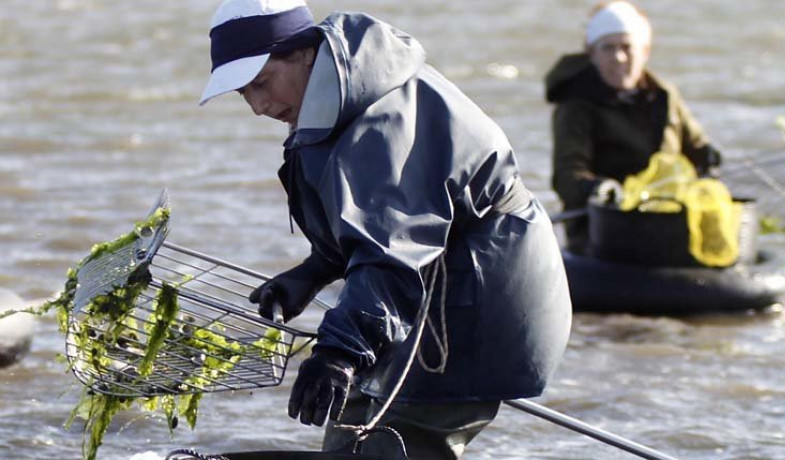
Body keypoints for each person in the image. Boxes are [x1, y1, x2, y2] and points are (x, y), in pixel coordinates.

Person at [199, 0, 572, 458]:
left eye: (261, 82)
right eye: (243, 94)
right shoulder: (339, 92)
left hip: (478, 294)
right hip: (426, 284)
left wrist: (338, 353)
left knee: (398, 439)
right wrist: (315, 271)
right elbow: (378, 221)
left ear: (304, 53)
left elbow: (392, 251)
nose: (258, 106)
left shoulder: (380, 120)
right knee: (350, 433)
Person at [545, 0, 722, 254]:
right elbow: (567, 177)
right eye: (607, 48)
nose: (618, 57)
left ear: (645, 51)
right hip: (604, 233)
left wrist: (709, 158)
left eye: (627, 47)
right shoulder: (575, 106)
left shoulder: (665, 96)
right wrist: (600, 190)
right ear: (591, 52)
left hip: (666, 222)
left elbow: (696, 147)